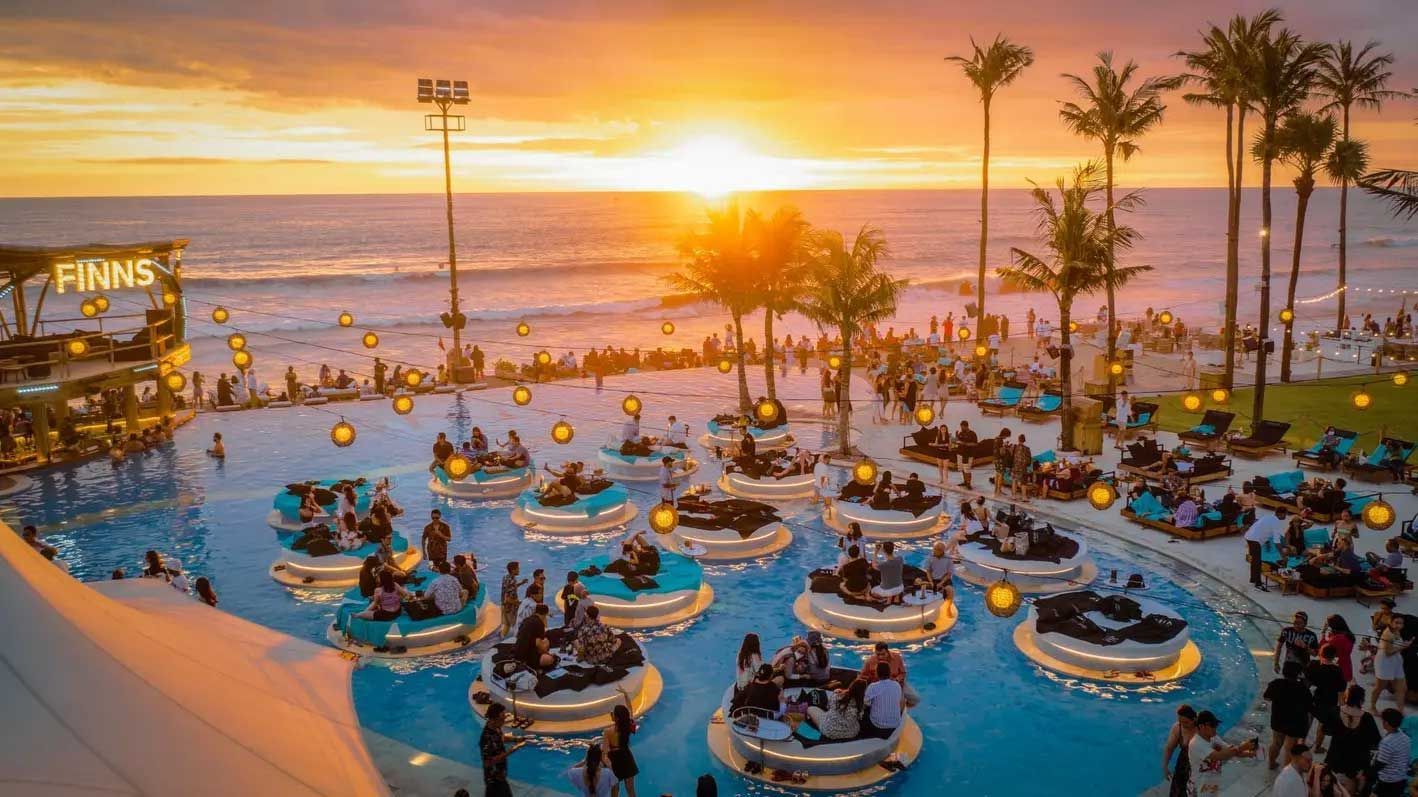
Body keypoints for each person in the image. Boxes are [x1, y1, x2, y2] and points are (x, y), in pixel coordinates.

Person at [1189, 710, 1258, 796]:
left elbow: (1231, 751)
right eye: (1212, 725)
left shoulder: (1213, 737)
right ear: (1202, 726)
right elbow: (1220, 756)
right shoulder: (1196, 744)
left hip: (1211, 783)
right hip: (1199, 786)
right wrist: (1243, 747)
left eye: (1216, 725)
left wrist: (1249, 753)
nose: (1215, 728)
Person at [1325, 685, 1380, 792]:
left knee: (1334, 786)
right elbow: (1375, 741)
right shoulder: (1367, 718)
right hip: (1357, 759)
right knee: (1351, 787)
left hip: (1336, 755)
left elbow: (1327, 730)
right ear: (1361, 699)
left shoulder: (1335, 712)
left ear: (1347, 697)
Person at [1264, 660, 1312, 770]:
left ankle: (1271, 763)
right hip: (1295, 722)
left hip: (1278, 718)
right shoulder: (1303, 689)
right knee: (1290, 748)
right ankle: (1286, 771)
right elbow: (1309, 706)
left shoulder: (1276, 683)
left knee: (1276, 743)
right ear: (1298, 674)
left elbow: (1267, 697)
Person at [480, 703, 525, 797]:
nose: (504, 719)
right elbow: (488, 762)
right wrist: (512, 750)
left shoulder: (496, 728)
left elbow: (501, 738)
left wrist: (516, 739)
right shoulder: (486, 738)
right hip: (494, 780)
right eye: (502, 717)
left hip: (500, 776)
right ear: (494, 718)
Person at [1370, 615, 1409, 715]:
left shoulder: (1396, 631)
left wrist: (1404, 644)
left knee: (1402, 688)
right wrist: (1404, 646)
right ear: (1391, 622)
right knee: (1380, 687)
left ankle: (1400, 711)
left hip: (1396, 661)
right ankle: (1372, 706)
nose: (1399, 625)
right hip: (1385, 662)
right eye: (1396, 622)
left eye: (1401, 623)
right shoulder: (1388, 634)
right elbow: (1388, 652)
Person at [605, 691, 639, 797]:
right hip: (627, 757)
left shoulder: (608, 731)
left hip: (614, 761)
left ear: (617, 718)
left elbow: (605, 754)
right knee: (631, 790)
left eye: (613, 713)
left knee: (614, 791)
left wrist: (610, 768)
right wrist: (626, 695)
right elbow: (630, 710)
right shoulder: (628, 726)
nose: (611, 714)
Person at [1246, 507, 1289, 590]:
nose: (1286, 516)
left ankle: (1253, 579)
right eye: (1285, 514)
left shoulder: (1268, 517)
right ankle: (1257, 582)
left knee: (1255, 560)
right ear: (1281, 514)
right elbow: (1277, 542)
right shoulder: (1276, 522)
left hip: (1249, 536)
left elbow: (1260, 527)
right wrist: (1283, 555)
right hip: (1255, 540)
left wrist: (1266, 541)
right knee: (1257, 561)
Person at [1161, 704, 1198, 797]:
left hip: (1199, 764)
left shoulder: (1202, 728)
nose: (1182, 725)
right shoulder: (1178, 728)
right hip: (1183, 764)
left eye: (1185, 722)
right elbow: (1169, 748)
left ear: (1194, 719)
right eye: (1180, 721)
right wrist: (1165, 766)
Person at [1374, 708, 1411, 796]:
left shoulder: (1387, 742)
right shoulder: (1405, 737)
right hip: (1401, 778)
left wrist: (1366, 773)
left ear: (1386, 723)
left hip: (1388, 781)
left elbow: (1380, 764)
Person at [863, 661, 904, 737]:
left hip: (877, 725)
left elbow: (866, 703)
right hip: (895, 725)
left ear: (877, 673)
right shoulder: (897, 685)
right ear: (889, 672)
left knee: (861, 711)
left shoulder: (873, 686)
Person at [500, 561, 525, 636]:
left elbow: (510, 588)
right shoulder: (512, 580)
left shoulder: (506, 577)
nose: (519, 570)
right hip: (510, 608)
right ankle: (516, 642)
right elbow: (507, 598)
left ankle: (501, 638)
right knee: (516, 626)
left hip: (504, 606)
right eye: (518, 568)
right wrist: (519, 603)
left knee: (507, 625)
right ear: (513, 570)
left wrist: (521, 583)